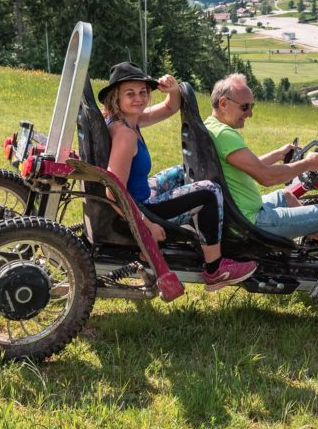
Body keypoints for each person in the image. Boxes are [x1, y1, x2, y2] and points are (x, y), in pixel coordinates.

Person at [99, 62, 256, 290]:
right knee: (209, 192)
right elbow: (113, 191)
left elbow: (170, 108)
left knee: (183, 172)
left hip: (140, 196)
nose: (139, 98)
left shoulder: (128, 120)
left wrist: (172, 90)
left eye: (143, 92)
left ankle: (202, 225)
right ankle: (215, 268)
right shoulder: (125, 135)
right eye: (130, 93)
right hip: (141, 210)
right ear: (116, 97)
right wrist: (147, 226)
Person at [203, 73, 318, 251]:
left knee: (287, 197)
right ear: (223, 103)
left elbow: (242, 167)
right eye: (245, 107)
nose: (250, 113)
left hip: (236, 213)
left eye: (252, 106)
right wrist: (308, 164)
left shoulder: (210, 127)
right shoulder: (225, 135)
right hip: (250, 222)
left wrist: (278, 155)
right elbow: (266, 177)